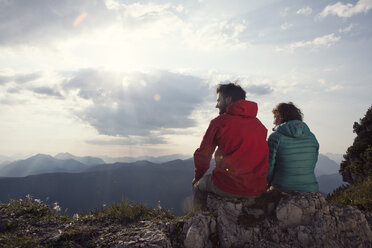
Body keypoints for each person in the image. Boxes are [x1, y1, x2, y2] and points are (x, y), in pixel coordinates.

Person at [193, 83, 269, 210]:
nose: (216, 105)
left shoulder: (219, 122)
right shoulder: (259, 126)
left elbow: (203, 155)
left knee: (197, 186)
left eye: (219, 100)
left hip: (229, 185)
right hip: (258, 189)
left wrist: (198, 177)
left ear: (228, 99)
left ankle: (198, 220)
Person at [267, 102, 319, 192]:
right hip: (311, 189)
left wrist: (268, 183)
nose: (274, 122)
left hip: (282, 188)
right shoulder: (312, 137)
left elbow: (269, 166)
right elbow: (312, 163)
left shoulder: (275, 137)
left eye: (275, 117)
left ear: (282, 117)